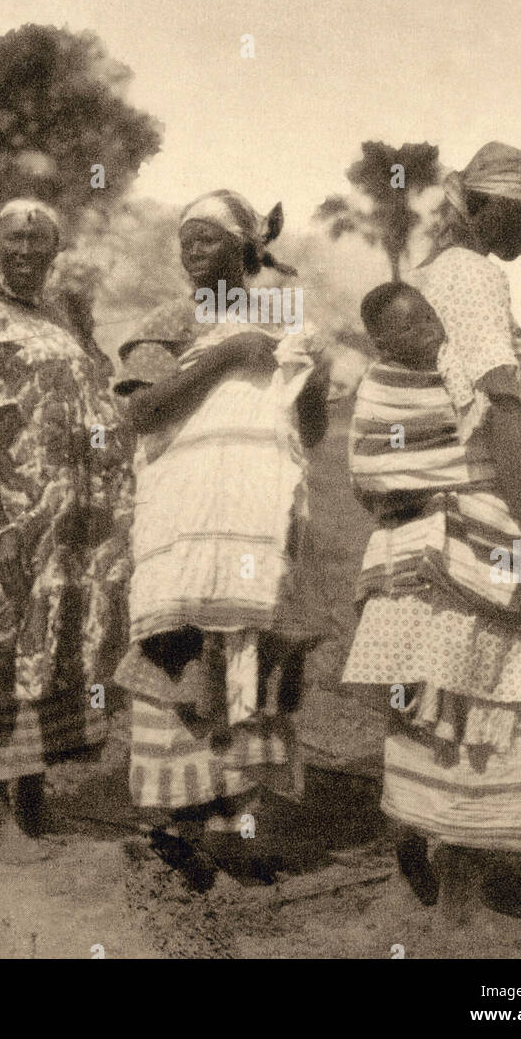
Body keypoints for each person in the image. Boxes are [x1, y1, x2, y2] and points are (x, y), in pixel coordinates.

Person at [342, 145, 521, 922]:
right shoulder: (474, 276)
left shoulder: (435, 274)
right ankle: (461, 896)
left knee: (438, 688)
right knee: (489, 692)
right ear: (491, 207)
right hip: (482, 513)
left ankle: (414, 836)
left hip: (434, 518)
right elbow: (499, 405)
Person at [114, 189, 328, 884]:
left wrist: (313, 380)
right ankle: (176, 826)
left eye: (206, 239)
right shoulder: (169, 321)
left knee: (250, 662)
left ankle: (234, 826)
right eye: (185, 241)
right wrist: (227, 353)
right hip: (183, 520)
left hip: (255, 517)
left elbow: (310, 432)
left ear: (244, 248)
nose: (191, 251)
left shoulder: (279, 321)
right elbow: (141, 413)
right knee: (181, 655)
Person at [0, 198, 133, 862]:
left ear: (53, 251)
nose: (25, 250)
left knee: (45, 650)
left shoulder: (58, 321)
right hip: (3, 518)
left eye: (38, 241)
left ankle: (34, 799)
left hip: (64, 523)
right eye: (13, 239)